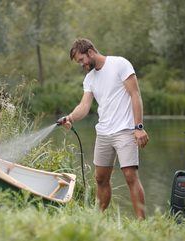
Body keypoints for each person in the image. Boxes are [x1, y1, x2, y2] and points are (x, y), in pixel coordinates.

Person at [62, 38, 149, 219]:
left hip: (125, 130)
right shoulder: (90, 79)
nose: (81, 65)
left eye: (81, 60)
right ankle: (98, 220)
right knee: (100, 179)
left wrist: (138, 127)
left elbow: (135, 95)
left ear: (90, 52)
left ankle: (142, 223)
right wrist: (70, 117)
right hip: (103, 133)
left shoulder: (120, 64)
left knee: (130, 176)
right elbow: (84, 106)